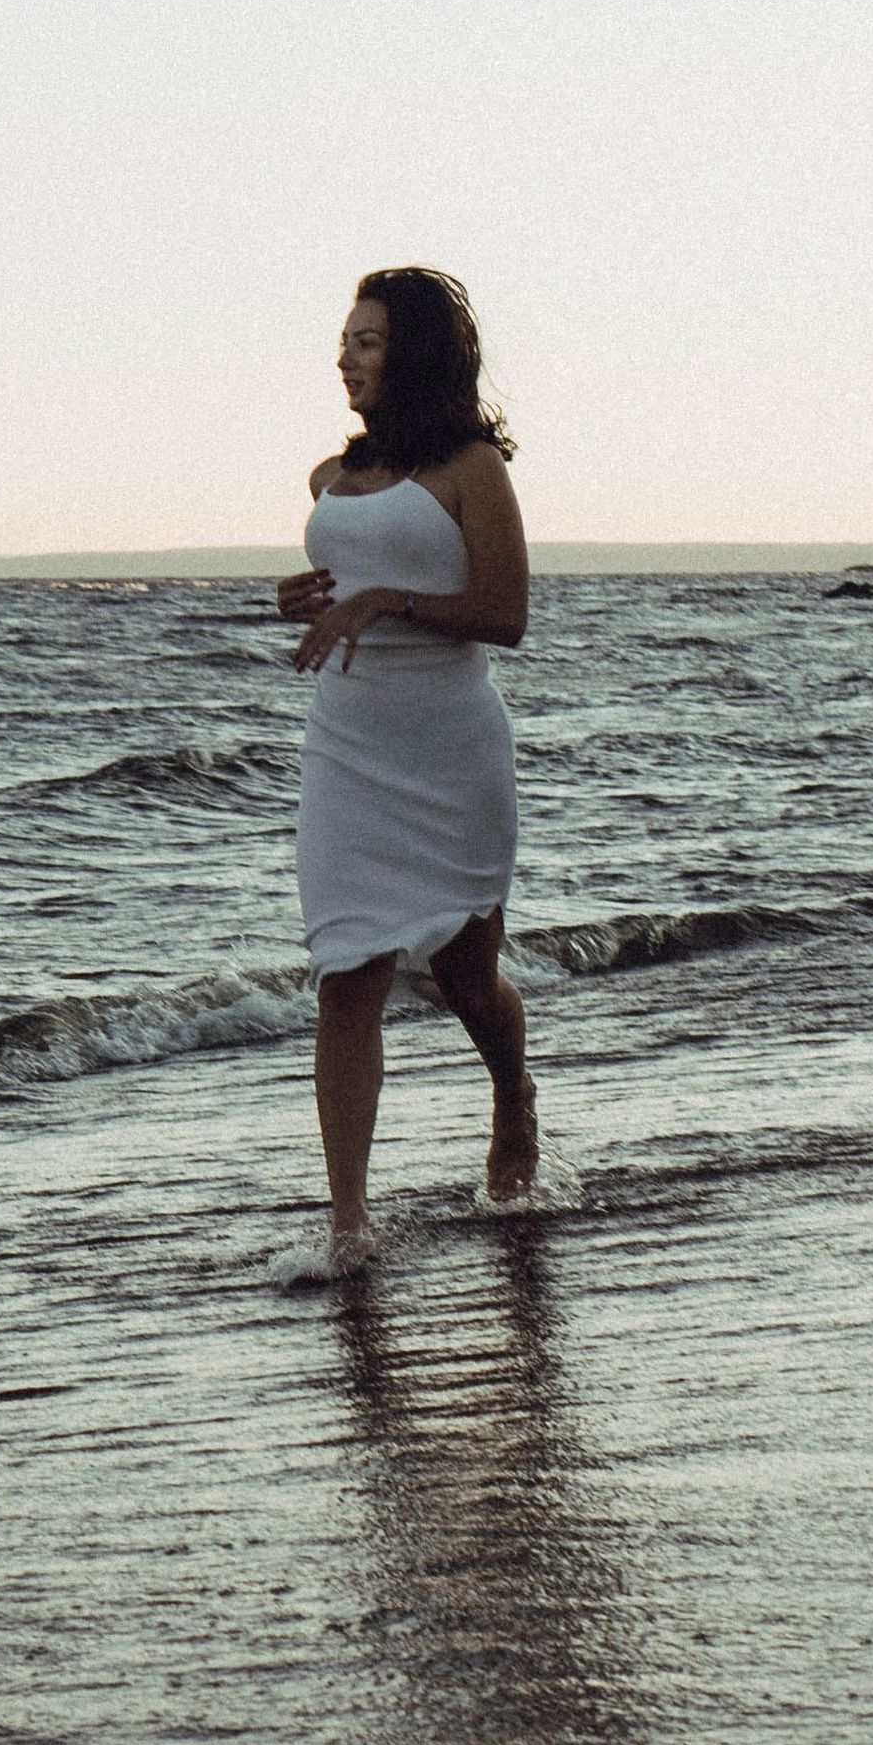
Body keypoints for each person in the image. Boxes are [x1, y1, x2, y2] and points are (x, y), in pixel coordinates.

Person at [276, 267, 535, 1266]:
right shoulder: (328, 480)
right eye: (344, 340)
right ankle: (347, 1224)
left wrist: (389, 601)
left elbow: (504, 615)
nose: (345, 358)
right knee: (347, 974)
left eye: (368, 341)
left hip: (449, 752)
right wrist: (303, 600)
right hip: (346, 749)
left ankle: (511, 1094)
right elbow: (343, 586)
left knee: (468, 976)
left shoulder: (472, 467)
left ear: (413, 353)